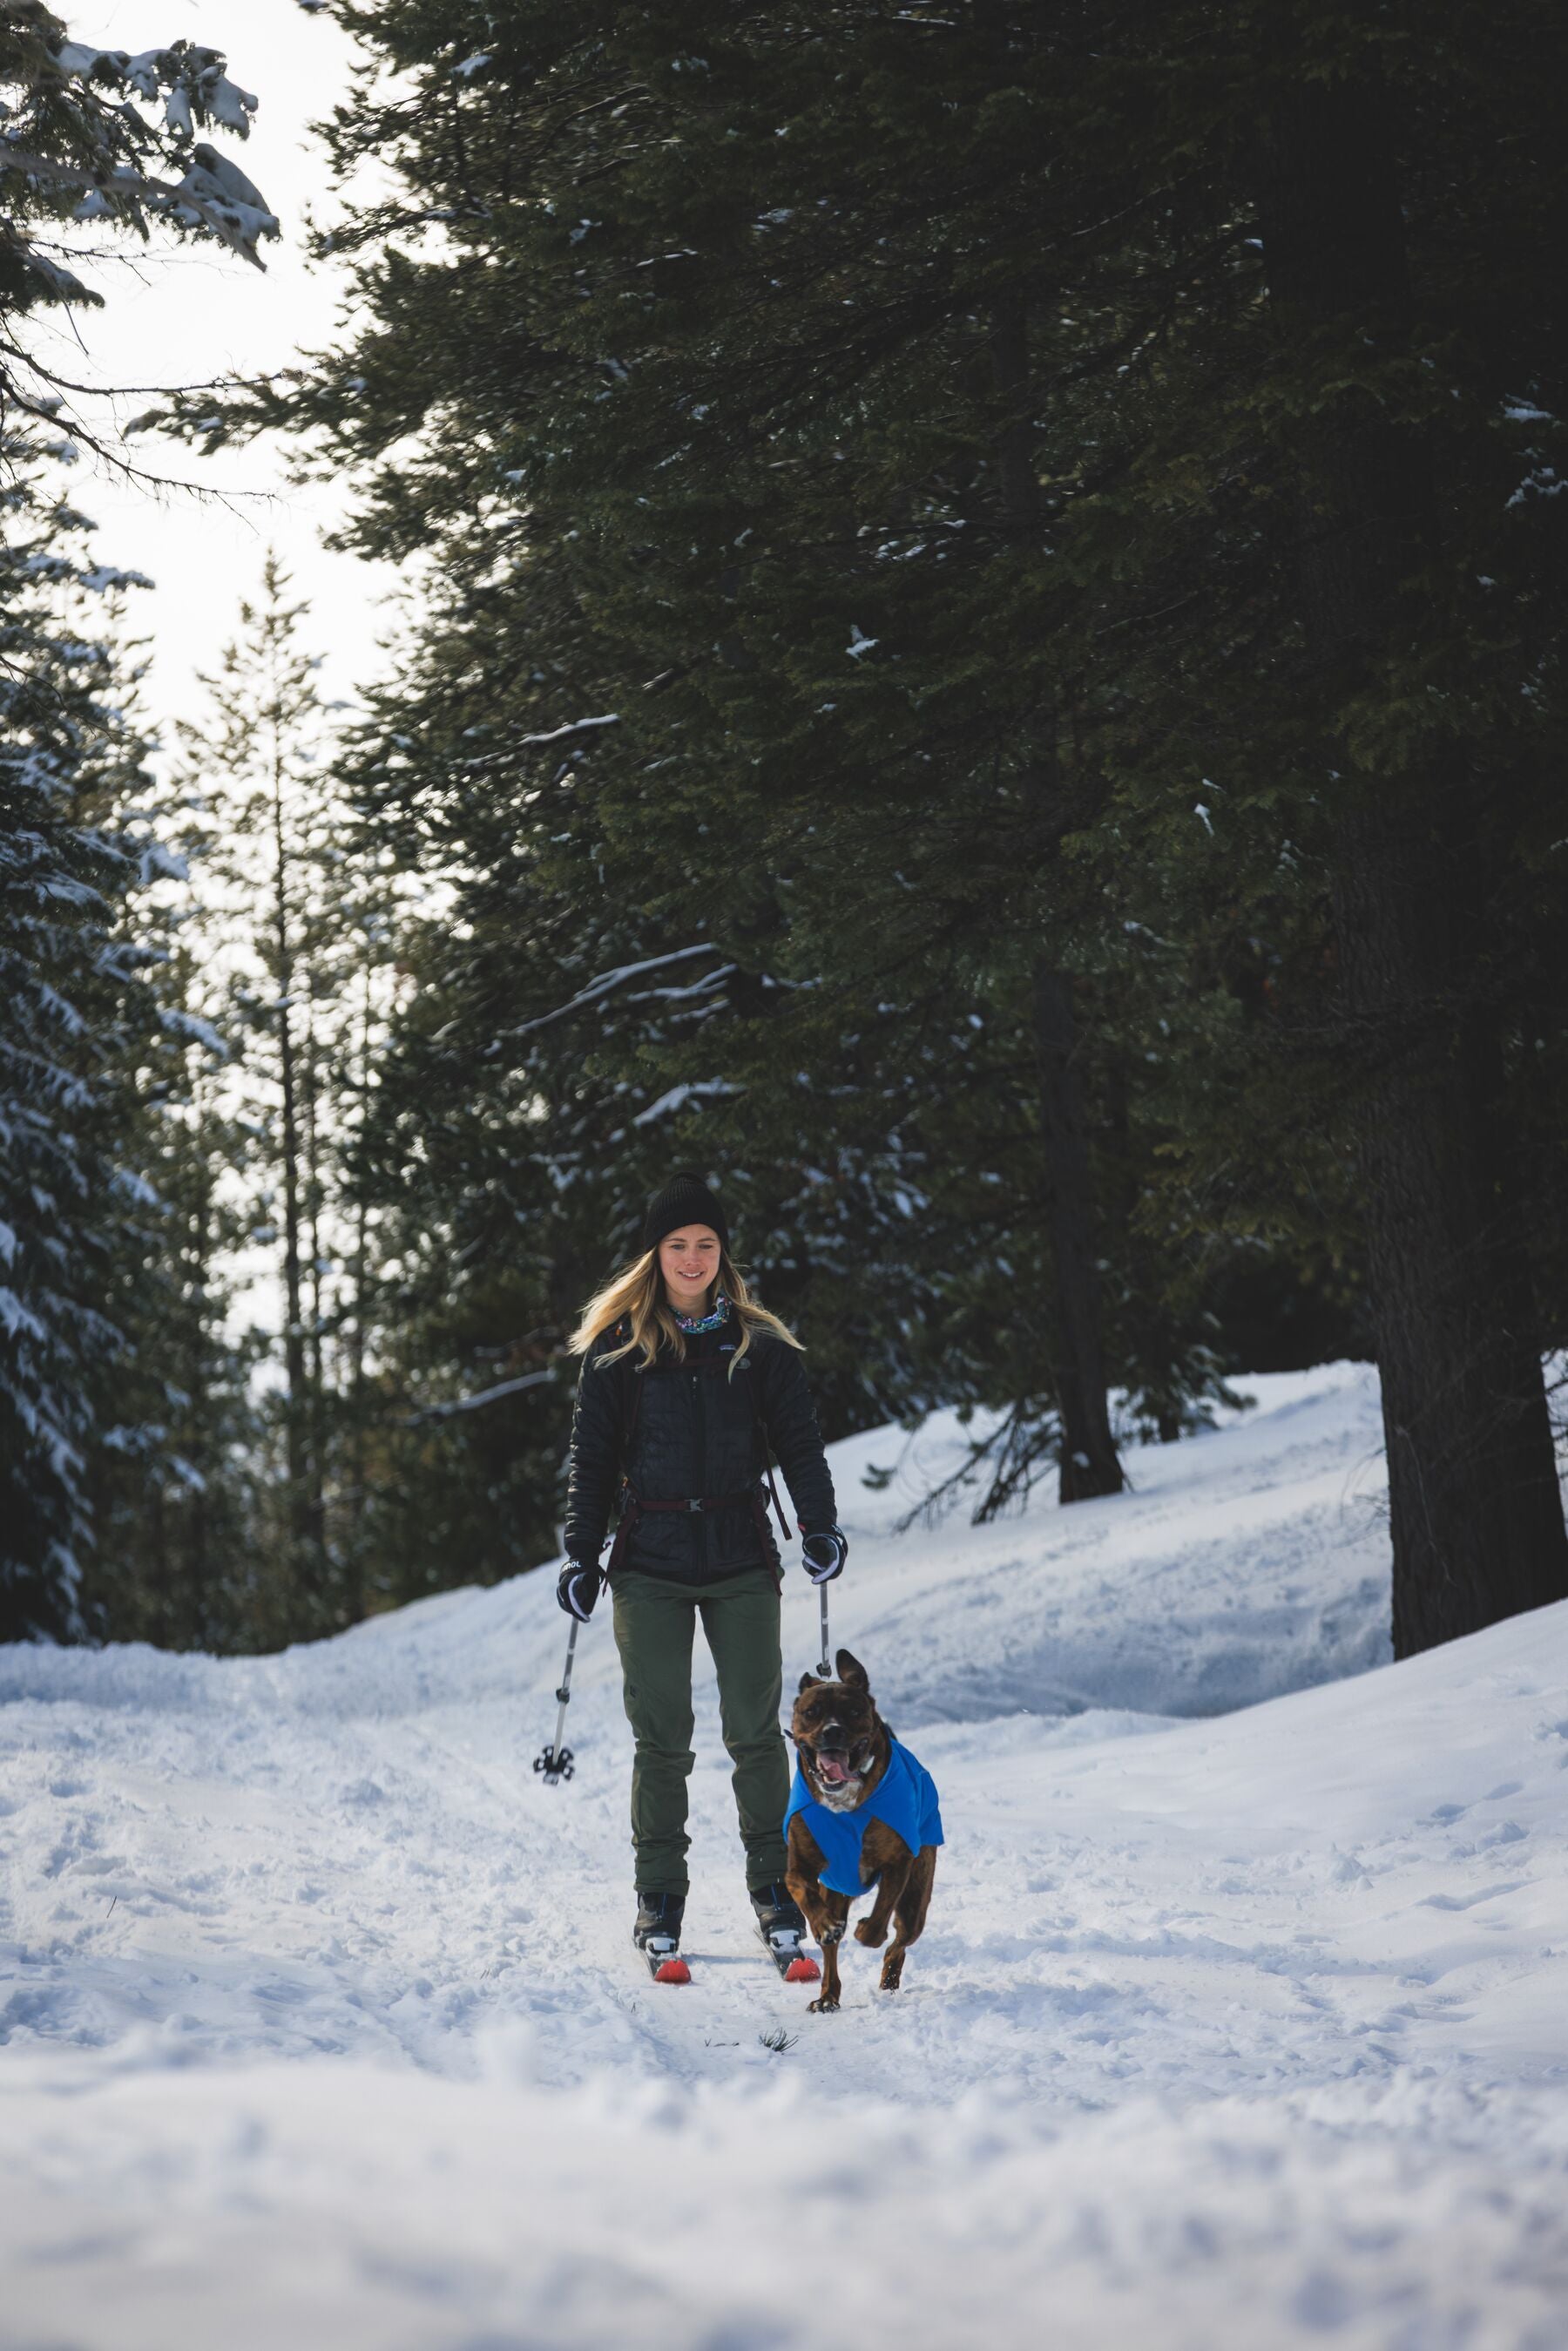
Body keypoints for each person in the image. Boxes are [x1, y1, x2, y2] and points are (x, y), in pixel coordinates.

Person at [557, 1171, 848, 1966]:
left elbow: (799, 1447)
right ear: (655, 1256)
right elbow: (591, 1463)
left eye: (706, 1245)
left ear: (724, 1254)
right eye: (678, 1245)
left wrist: (819, 1529)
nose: (692, 1259)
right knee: (664, 1740)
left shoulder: (760, 1347)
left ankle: (779, 1893)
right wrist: (582, 1557)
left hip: (738, 1559)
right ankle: (659, 1902)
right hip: (648, 1562)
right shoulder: (619, 1351)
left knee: (756, 1734)